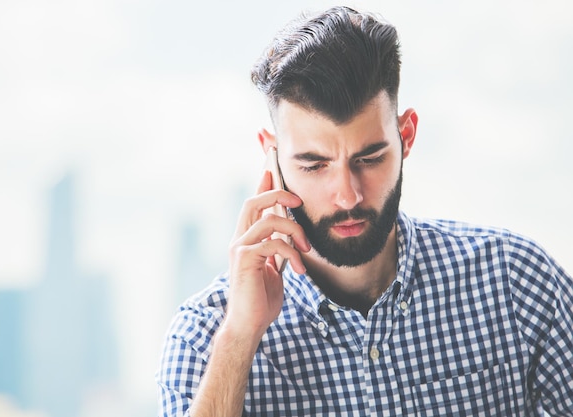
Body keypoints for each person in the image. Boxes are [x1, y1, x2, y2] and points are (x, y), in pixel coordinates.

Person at [155, 6, 573, 416]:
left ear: (406, 135)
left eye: (369, 158)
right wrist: (239, 339)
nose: (347, 196)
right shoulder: (204, 338)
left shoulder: (517, 284)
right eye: (315, 165)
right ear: (273, 155)